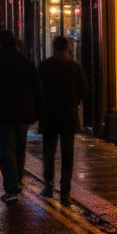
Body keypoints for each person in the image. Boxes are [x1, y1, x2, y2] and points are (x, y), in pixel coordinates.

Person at [0, 30, 41, 203]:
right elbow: (37, 89)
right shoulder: (27, 62)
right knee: (19, 149)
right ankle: (17, 182)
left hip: (2, 113)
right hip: (23, 113)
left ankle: (11, 188)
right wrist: (36, 111)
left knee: (6, 151)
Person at [37, 36, 87, 206]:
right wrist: (74, 103)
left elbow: (38, 90)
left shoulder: (44, 66)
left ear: (53, 47)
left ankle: (48, 186)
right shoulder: (75, 67)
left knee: (48, 153)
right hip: (68, 116)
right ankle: (65, 191)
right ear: (68, 48)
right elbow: (83, 90)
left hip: (49, 115)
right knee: (67, 154)